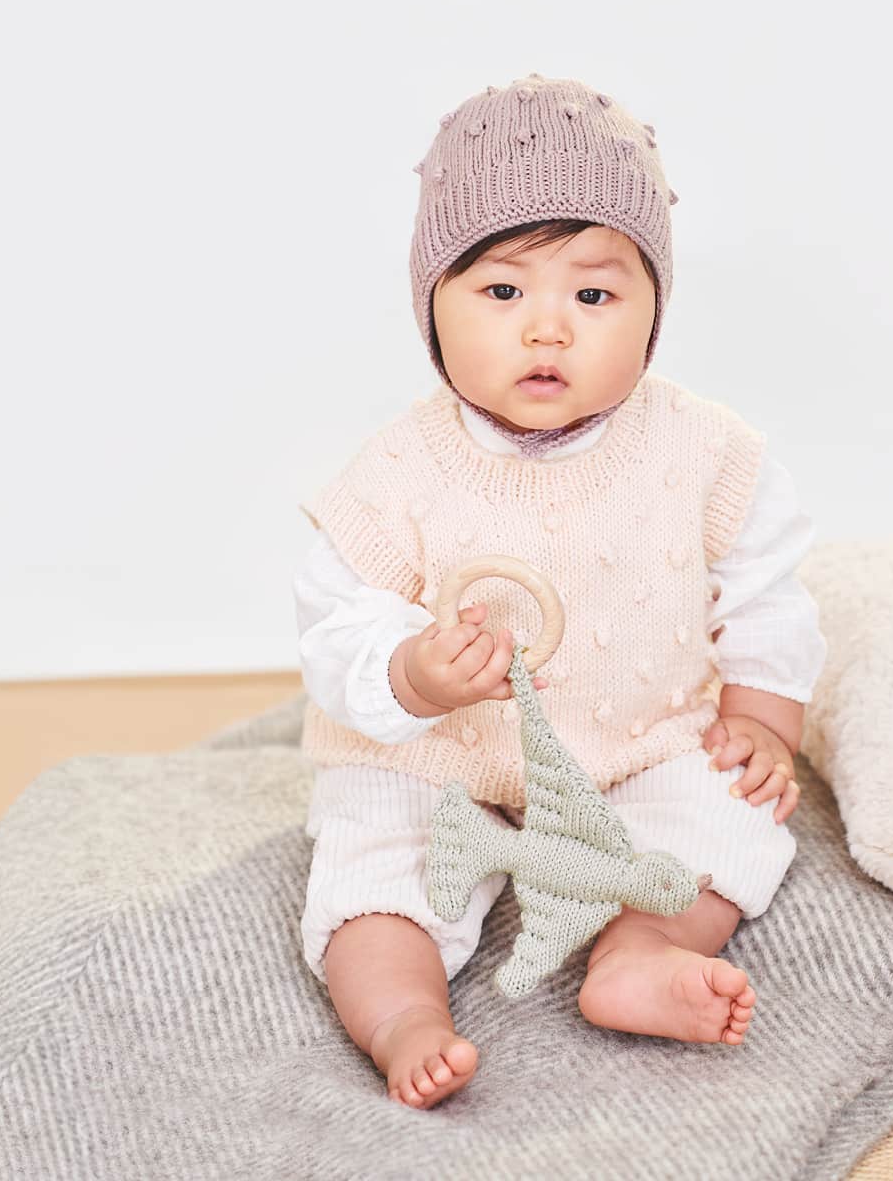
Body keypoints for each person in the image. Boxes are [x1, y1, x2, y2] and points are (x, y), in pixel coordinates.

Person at [293, 74, 826, 1109]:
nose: (546, 330)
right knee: (369, 856)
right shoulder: (393, 470)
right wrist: (407, 671)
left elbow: (767, 594)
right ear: (431, 307)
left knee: (730, 813)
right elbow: (334, 622)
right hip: (432, 755)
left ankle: (638, 952)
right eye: (500, 291)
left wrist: (761, 718)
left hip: (634, 739)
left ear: (651, 309)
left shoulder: (708, 454)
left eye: (592, 294)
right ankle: (402, 1011)